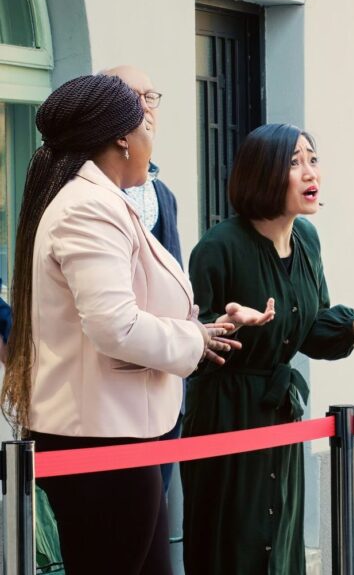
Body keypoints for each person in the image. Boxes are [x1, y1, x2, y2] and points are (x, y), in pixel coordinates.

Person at [0, 74, 243, 575]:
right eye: (146, 124)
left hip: (119, 431)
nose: (152, 140)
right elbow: (115, 326)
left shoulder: (100, 201)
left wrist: (202, 326)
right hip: (101, 439)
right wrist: (193, 339)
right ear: (122, 138)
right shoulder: (88, 208)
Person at [181, 123, 354, 575]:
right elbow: (191, 343)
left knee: (280, 537)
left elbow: (314, 329)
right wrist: (228, 325)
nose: (310, 173)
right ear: (263, 173)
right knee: (233, 542)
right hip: (227, 417)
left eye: (313, 159)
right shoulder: (219, 247)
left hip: (281, 414)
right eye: (294, 162)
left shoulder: (307, 241)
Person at [104, 64, 185, 493]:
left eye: (150, 97)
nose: (143, 108)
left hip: (164, 387)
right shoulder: (89, 197)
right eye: (128, 96)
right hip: (112, 397)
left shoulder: (163, 195)